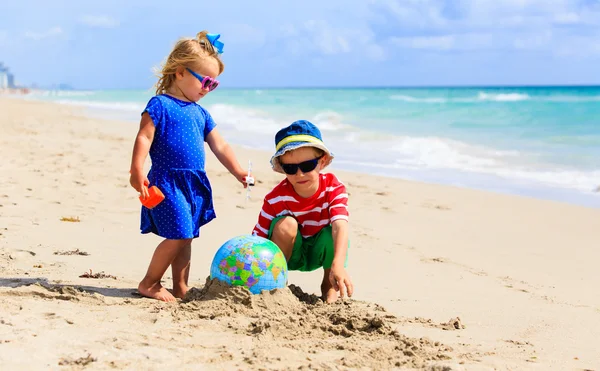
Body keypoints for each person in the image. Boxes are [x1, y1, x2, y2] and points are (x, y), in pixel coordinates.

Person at [129, 31, 250, 302]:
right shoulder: (160, 104)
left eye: (214, 84)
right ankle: (150, 282)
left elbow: (220, 146)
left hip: (194, 184)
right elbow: (144, 136)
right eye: (205, 81)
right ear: (180, 73)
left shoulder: (201, 113)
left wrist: (238, 170)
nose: (208, 89)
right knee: (180, 233)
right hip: (166, 181)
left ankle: (180, 287)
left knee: (186, 236)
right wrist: (136, 169)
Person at [252, 120, 353, 303]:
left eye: (307, 166)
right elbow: (258, 238)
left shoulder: (333, 188)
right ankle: (276, 285)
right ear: (282, 169)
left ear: (321, 162)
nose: (299, 174)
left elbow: (340, 225)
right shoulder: (275, 198)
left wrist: (338, 264)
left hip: (319, 253)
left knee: (333, 232)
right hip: (287, 255)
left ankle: (329, 285)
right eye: (291, 168)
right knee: (286, 224)